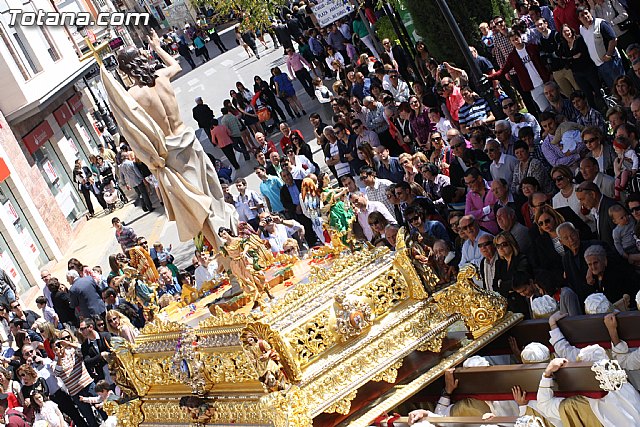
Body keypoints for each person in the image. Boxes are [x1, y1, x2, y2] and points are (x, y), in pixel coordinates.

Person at [487, 30, 551, 113]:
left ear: (520, 37)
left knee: (556, 103)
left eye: (516, 38)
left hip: (545, 81)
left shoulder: (532, 47)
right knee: (545, 110)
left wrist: (549, 74)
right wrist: (490, 77)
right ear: (510, 42)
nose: (515, 41)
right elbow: (503, 70)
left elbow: (544, 60)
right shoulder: (513, 56)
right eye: (513, 40)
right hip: (533, 87)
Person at [577, 5, 625, 89]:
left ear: (589, 13)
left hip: (611, 62)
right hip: (600, 65)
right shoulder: (582, 30)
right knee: (614, 89)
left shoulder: (601, 23)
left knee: (623, 85)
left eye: (586, 13)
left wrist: (609, 54)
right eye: (582, 15)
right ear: (579, 19)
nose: (585, 16)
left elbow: (613, 39)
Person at [493, 231, 532, 316]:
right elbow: (495, 286)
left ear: (511, 243)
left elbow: (519, 281)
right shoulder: (499, 263)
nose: (501, 248)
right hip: (507, 305)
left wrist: (502, 284)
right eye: (498, 246)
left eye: (504, 244)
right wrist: (507, 285)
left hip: (523, 302)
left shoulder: (521, 258)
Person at [575, 180, 619, 248]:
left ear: (593, 194)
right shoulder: (597, 210)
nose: (581, 203)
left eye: (582, 199)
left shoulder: (611, 208)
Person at [464, 167, 499, 235]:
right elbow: (468, 215)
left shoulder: (493, 186)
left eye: (471, 182)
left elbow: (497, 209)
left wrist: (478, 216)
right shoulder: (469, 195)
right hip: (481, 234)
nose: (469, 186)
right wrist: (487, 209)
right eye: (467, 184)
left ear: (479, 178)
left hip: (499, 230)